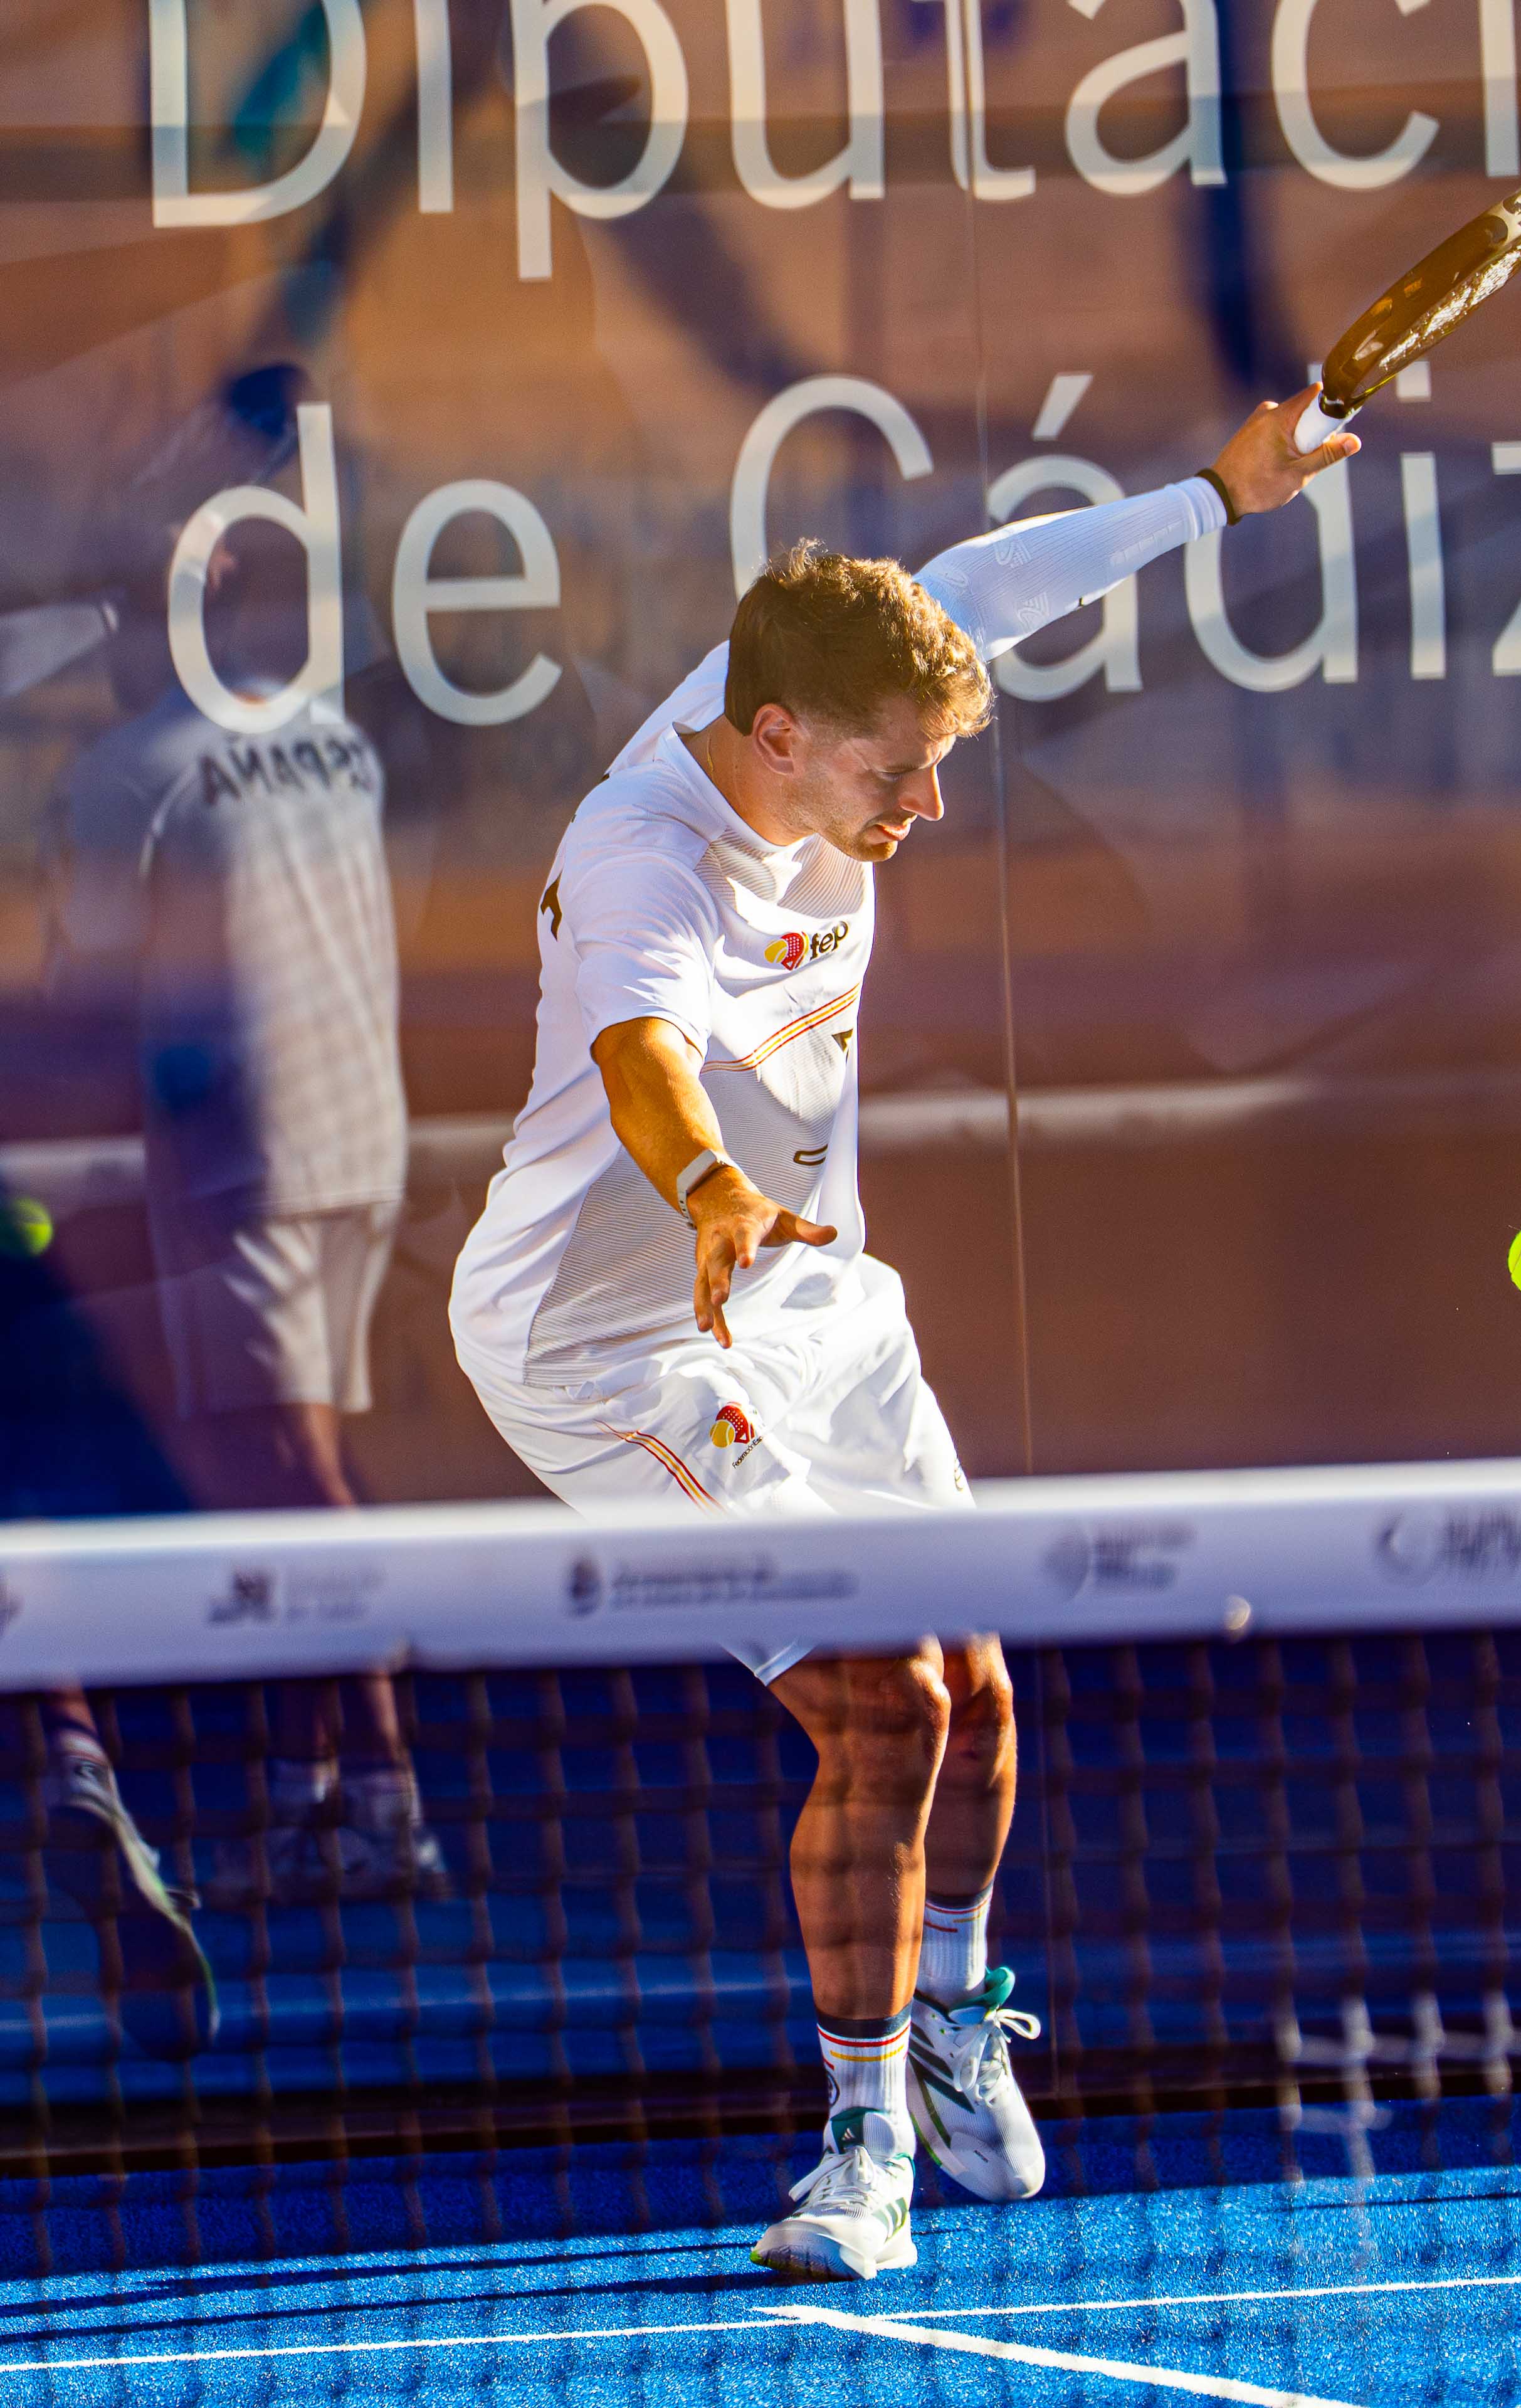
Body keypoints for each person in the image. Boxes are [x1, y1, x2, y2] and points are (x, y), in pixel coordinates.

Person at [449, 391, 1360, 2278]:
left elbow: (987, 584)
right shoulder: (644, 859)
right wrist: (710, 1186)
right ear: (778, 736)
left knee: (984, 1687)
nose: (928, 808)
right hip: (608, 1345)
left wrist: (1218, 495)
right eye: (900, 772)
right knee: (888, 1698)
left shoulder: (799, 698)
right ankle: (859, 2152)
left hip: (817, 1299)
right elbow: (642, 1056)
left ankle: (951, 2016)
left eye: (941, 764)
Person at [45, 541, 448, 1913]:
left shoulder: (127, 774)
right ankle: (306, 1799)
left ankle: (387, 1802)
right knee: (281, 1481)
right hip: (359, 1145)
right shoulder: (339, 745)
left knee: (293, 1482)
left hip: (242, 1159)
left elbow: (81, 986)